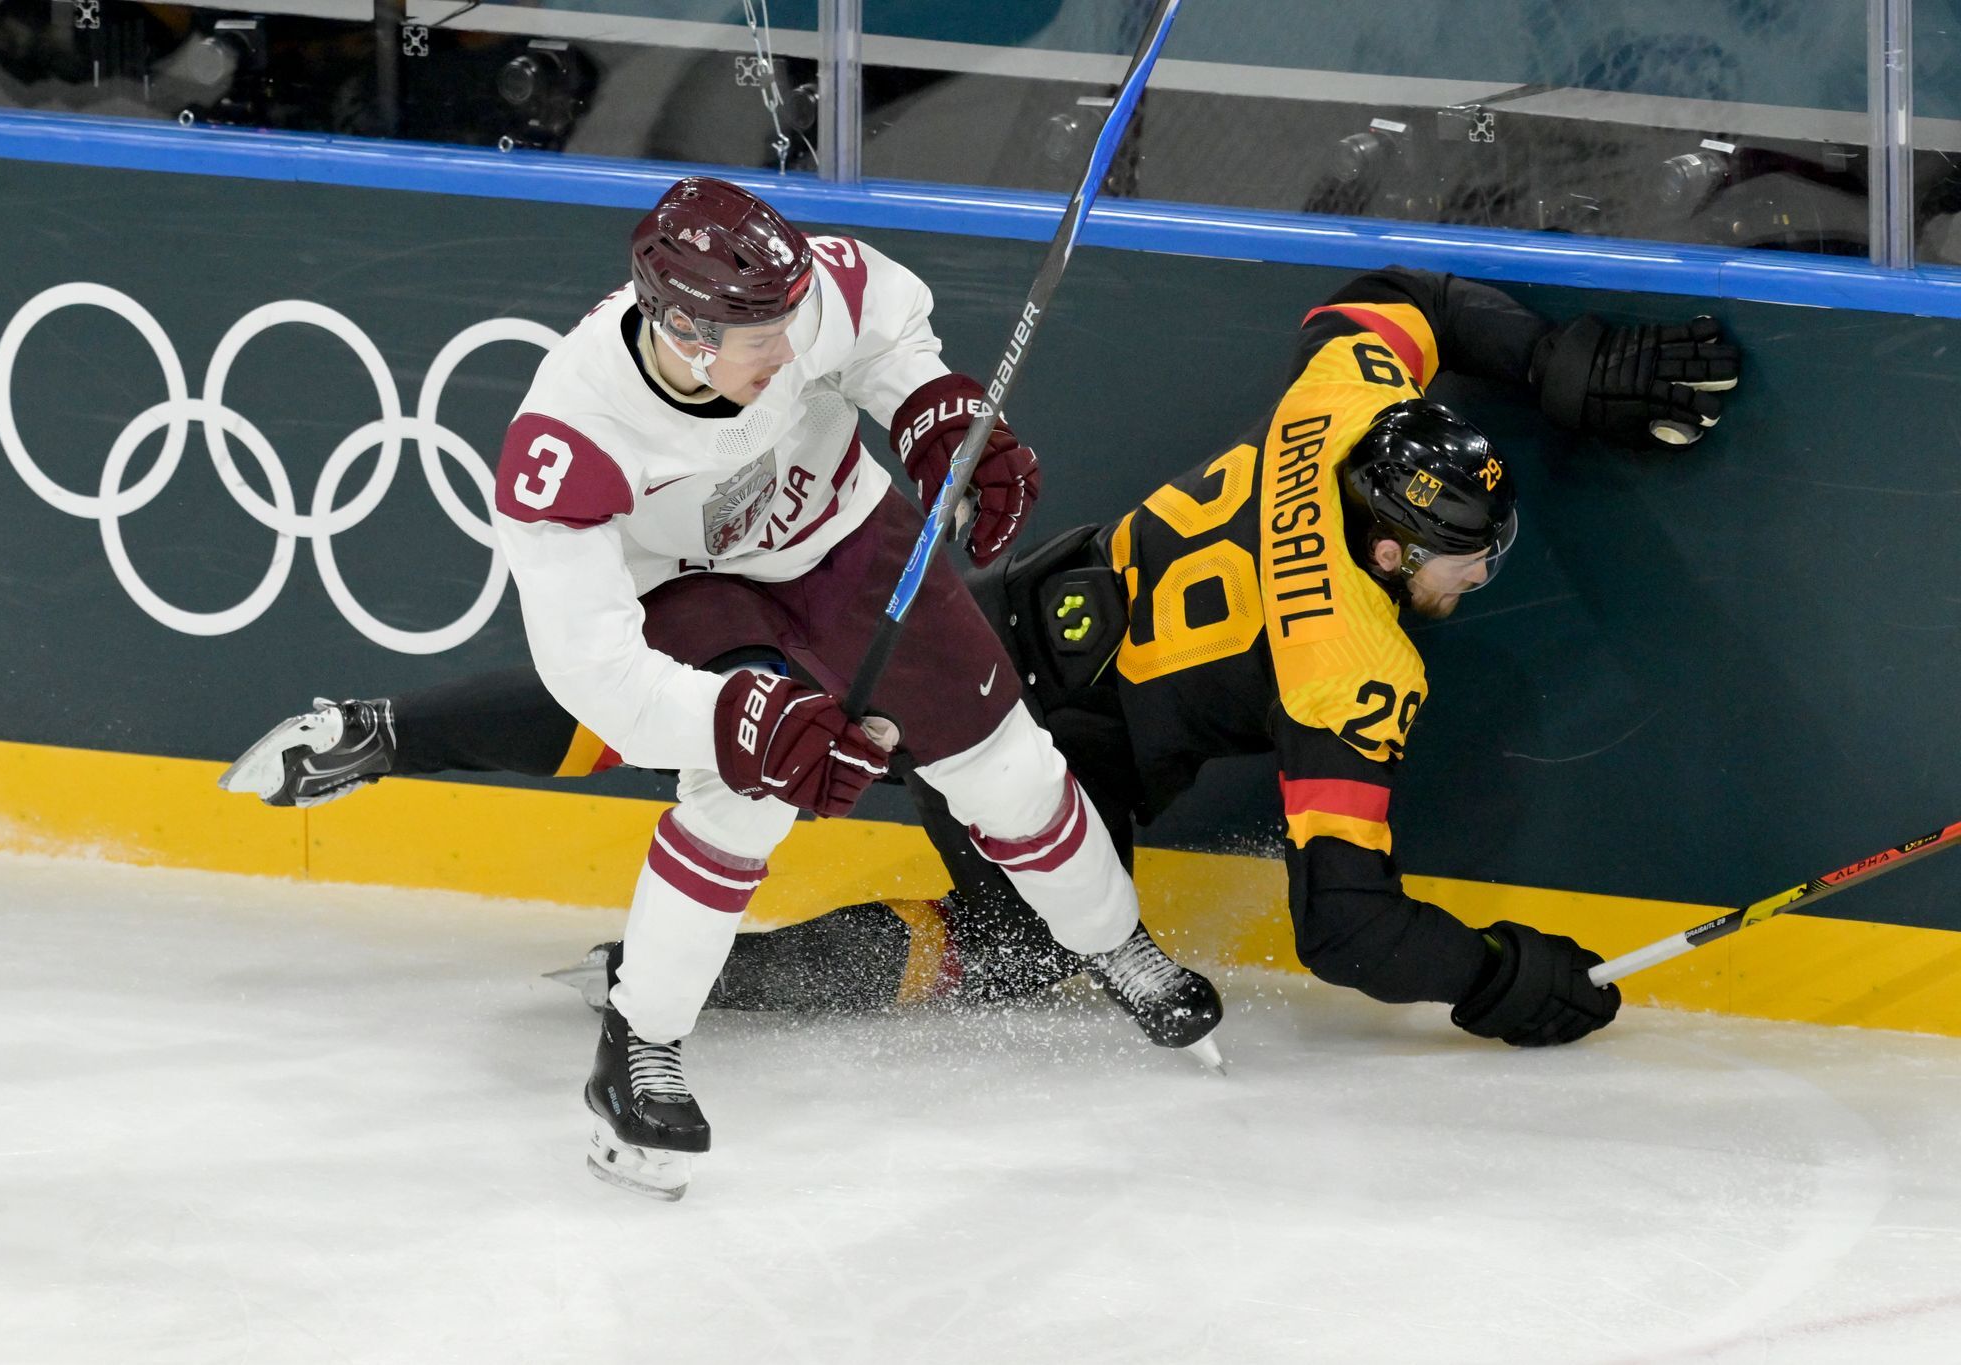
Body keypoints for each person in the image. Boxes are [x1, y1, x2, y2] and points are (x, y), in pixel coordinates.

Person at [225, 265, 1738, 1084]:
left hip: (1009, 608)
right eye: (1467, 560)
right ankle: (682, 987)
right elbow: (1344, 929)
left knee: (697, 681)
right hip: (1057, 730)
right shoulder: (1347, 659)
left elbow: (1388, 296)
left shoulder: (1338, 416)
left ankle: (385, 729)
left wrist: (1541, 358)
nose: (1487, 577)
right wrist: (1503, 979)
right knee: (1020, 940)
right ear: (1398, 558)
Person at [221, 176, 1219, 1201]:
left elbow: (884, 337)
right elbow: (590, 673)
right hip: (691, 594)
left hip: (839, 539)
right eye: (758, 341)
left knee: (1006, 766)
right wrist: (736, 721)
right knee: (740, 795)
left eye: (790, 327)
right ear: (687, 332)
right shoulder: (567, 440)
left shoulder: (797, 293)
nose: (788, 352)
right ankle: (639, 1050)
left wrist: (930, 413)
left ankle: (1113, 944)